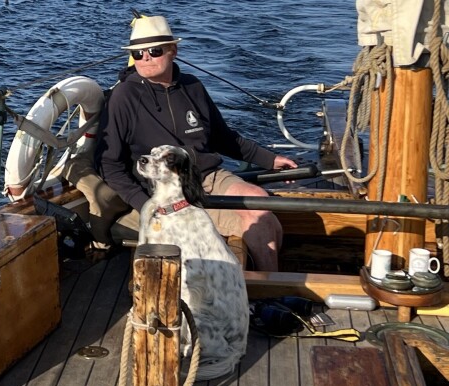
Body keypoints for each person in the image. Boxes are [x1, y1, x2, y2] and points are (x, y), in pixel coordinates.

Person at [86, 14, 296, 271]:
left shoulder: (193, 86)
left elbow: (223, 138)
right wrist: (145, 205)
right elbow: (108, 164)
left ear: (173, 51)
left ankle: (265, 285)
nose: (145, 58)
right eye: (138, 53)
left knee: (261, 203)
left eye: (154, 51)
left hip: (207, 176)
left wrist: (270, 159)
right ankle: (263, 288)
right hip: (166, 188)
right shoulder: (124, 96)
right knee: (261, 223)